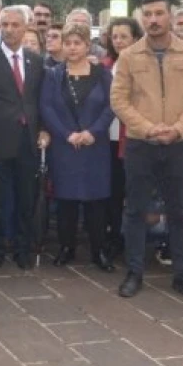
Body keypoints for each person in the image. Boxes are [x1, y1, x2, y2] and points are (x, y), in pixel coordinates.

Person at [110, 0, 183, 302]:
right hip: (141, 144)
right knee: (136, 210)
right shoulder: (129, 56)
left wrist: (179, 129)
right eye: (147, 14)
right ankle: (134, 273)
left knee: (179, 212)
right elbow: (119, 100)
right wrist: (148, 128)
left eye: (158, 14)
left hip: (177, 146)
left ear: (169, 16)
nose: (153, 20)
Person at [40, 23, 115, 271]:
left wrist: (93, 132)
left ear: (87, 45)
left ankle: (98, 250)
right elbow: (47, 107)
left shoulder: (103, 74)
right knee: (66, 201)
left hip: (95, 146)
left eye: (77, 43)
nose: (72, 48)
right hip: (65, 146)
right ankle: (66, 248)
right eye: (68, 43)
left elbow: (111, 106)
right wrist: (66, 134)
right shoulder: (54, 74)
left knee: (96, 201)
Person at [0, 5, 50, 270]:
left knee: (26, 197)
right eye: (5, 25)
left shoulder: (36, 61)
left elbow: (40, 100)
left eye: (15, 25)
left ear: (25, 28)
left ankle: (24, 248)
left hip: (28, 141)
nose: (9, 30)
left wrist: (44, 128)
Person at [101, 17, 144, 258]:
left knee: (133, 190)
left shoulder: (143, 67)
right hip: (107, 137)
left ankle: (133, 240)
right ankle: (113, 235)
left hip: (134, 138)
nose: (118, 41)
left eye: (123, 36)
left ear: (136, 39)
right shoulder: (105, 66)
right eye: (114, 36)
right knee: (112, 191)